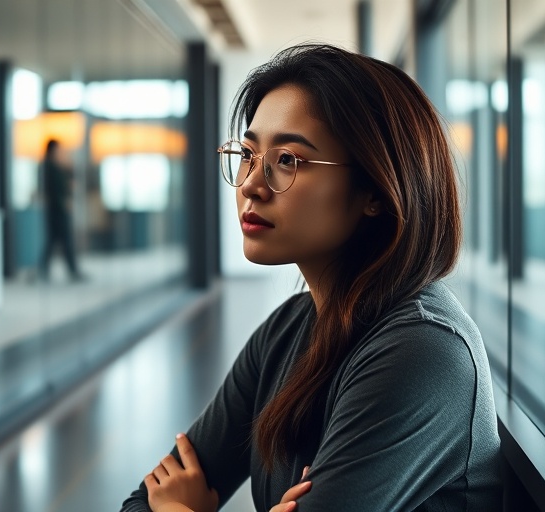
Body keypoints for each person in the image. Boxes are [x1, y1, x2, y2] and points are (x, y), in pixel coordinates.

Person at [121, 44, 501, 512]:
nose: (250, 185)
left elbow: (164, 504)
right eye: (248, 154)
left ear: (377, 192)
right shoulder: (288, 329)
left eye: (288, 160)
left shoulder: (421, 350)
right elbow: (142, 501)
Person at [39, 139, 84, 281]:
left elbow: (69, 185)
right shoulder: (48, 167)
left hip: (61, 209)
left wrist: (68, 167)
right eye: (59, 150)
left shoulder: (59, 166)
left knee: (56, 241)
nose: (61, 153)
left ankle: (45, 270)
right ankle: (69, 271)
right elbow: (52, 190)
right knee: (62, 241)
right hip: (56, 210)